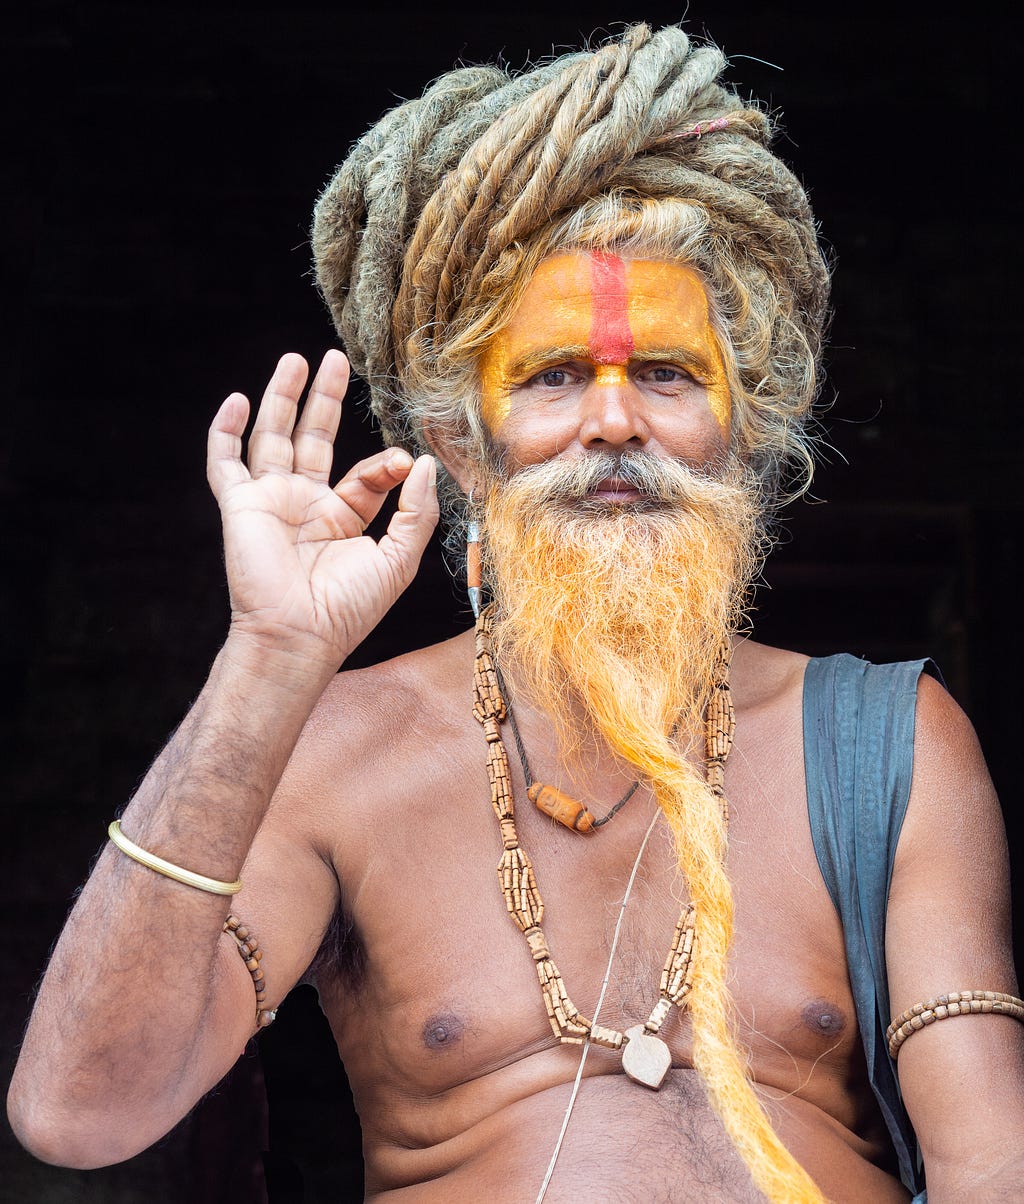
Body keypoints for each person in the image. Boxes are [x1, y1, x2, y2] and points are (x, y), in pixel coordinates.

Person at [8, 23, 1023, 1203]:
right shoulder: (333, 750)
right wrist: (268, 661)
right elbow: (74, 1115)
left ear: (741, 436)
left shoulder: (888, 740)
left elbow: (990, 1168)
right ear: (461, 445)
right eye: (550, 378)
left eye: (665, 374)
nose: (611, 422)